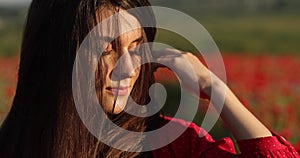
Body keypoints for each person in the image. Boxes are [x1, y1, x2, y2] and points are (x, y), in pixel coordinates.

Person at [0, 0, 299, 157]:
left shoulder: (170, 145)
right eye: (108, 49)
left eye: (136, 46)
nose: (129, 67)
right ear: (58, 56)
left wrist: (212, 85)